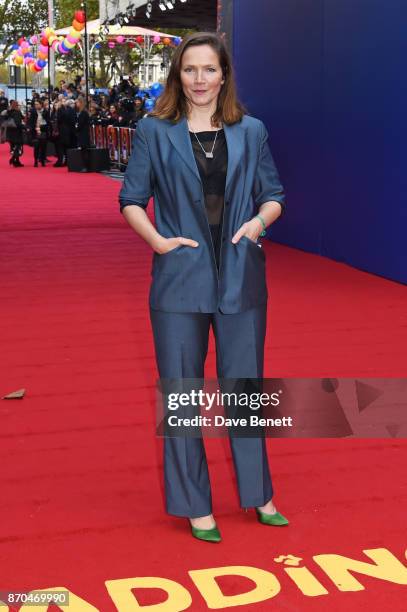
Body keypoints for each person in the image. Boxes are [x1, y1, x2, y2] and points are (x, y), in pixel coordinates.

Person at [118, 32, 288, 543]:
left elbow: (273, 195)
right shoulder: (154, 131)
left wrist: (258, 224)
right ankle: (195, 505)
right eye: (189, 70)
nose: (199, 80)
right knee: (182, 394)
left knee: (244, 390)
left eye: (208, 70)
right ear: (178, 75)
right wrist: (157, 242)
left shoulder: (251, 131)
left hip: (241, 277)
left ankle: (260, 495)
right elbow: (131, 198)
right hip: (178, 282)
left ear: (224, 75)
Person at [28, 99, 50, 167]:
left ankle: (43, 161)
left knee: (43, 147)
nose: (36, 105)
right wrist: (32, 128)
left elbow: (48, 122)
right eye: (35, 104)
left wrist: (43, 126)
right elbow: (31, 122)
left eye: (37, 104)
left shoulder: (45, 112)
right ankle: (35, 161)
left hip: (43, 131)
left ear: (41, 104)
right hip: (35, 132)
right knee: (36, 147)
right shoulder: (33, 111)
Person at [5, 100, 24, 167]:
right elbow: (18, 123)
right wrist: (24, 127)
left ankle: (17, 161)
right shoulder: (17, 112)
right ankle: (13, 159)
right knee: (18, 147)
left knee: (13, 147)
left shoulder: (9, 111)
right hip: (17, 132)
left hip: (10, 132)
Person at [75, 96, 90, 172]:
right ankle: (84, 166)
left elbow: (80, 124)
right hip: (82, 133)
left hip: (84, 134)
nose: (76, 104)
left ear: (81, 103)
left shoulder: (84, 113)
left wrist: (76, 128)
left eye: (77, 102)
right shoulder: (82, 112)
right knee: (83, 151)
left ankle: (85, 166)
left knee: (84, 151)